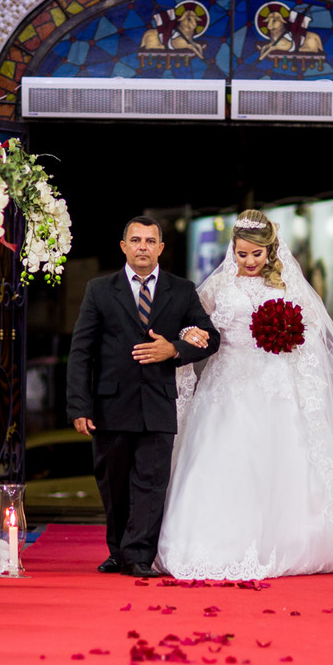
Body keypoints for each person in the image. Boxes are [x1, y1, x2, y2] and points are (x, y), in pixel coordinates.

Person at [156, 210, 333, 580]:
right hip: (226, 385)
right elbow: (193, 320)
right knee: (221, 459)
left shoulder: (285, 287)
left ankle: (291, 541)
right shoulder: (219, 286)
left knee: (281, 460)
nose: (248, 261)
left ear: (270, 251)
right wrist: (192, 334)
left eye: (256, 255)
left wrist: (289, 335)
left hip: (275, 384)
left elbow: (314, 334)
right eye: (242, 254)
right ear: (233, 250)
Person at [67, 216, 220, 575]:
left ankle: (138, 556)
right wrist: (79, 404)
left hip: (158, 403)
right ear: (123, 247)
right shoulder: (99, 290)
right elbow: (81, 352)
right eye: (135, 240)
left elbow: (211, 337)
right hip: (110, 405)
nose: (142, 247)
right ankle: (118, 551)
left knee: (150, 484)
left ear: (161, 248)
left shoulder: (181, 290)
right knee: (114, 483)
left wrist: (176, 349)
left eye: (150, 241)